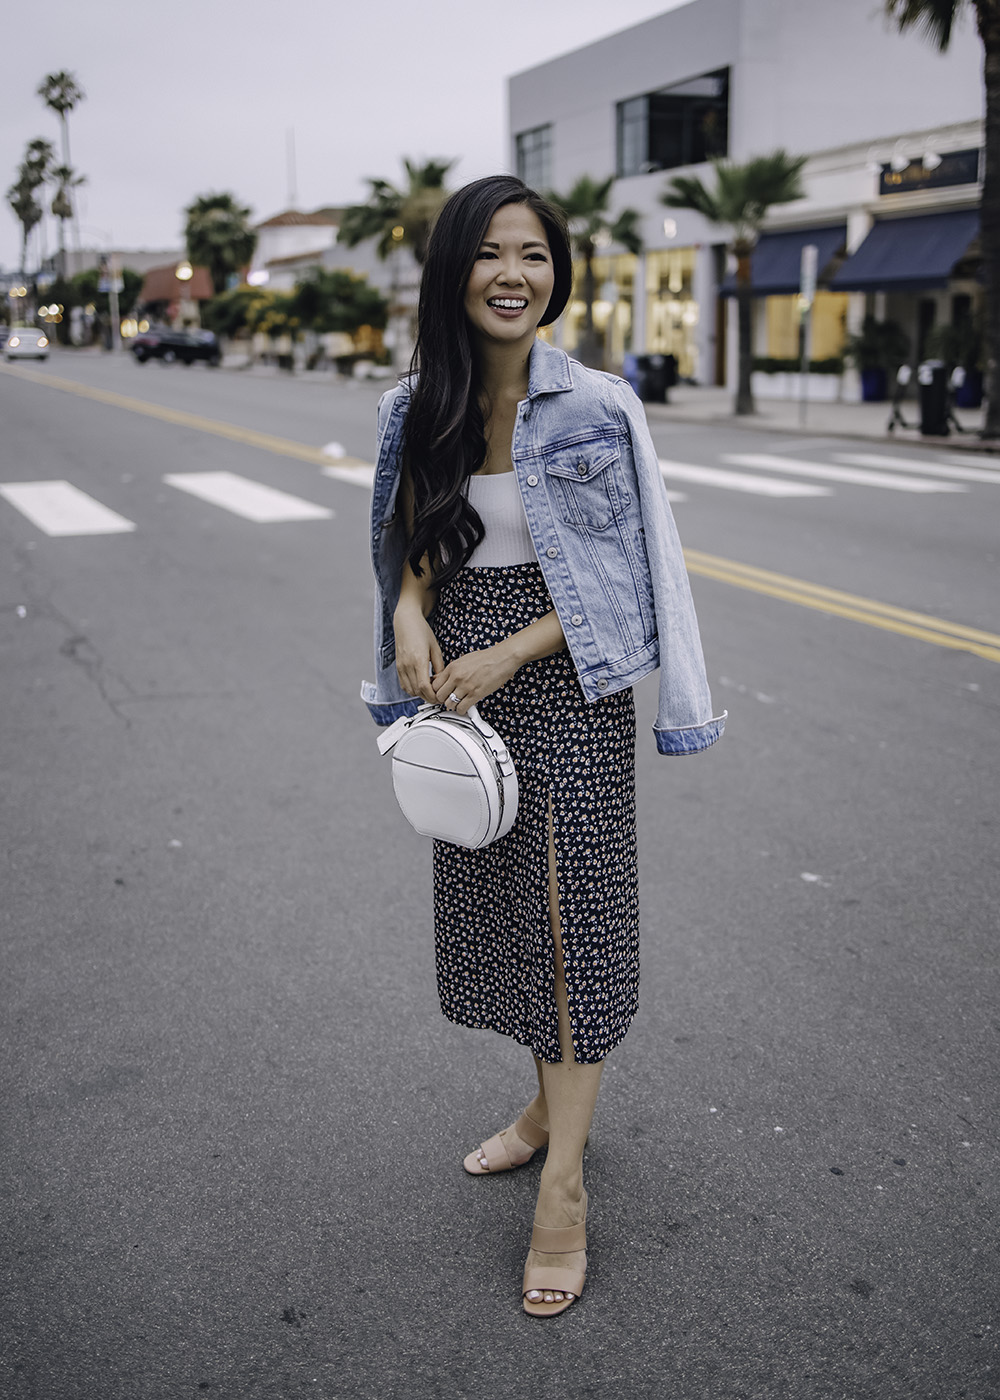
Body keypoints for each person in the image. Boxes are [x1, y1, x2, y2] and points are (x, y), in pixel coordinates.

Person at [362, 175, 724, 1317]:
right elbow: (410, 545)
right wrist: (412, 617)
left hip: (558, 678)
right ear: (453, 271)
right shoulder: (416, 407)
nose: (514, 274)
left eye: (534, 254)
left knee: (575, 919)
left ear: (556, 274)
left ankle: (562, 1185)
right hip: (459, 679)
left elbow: (628, 582)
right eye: (489, 253)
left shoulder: (600, 406)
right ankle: (540, 1110)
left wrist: (509, 652)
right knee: (515, 915)